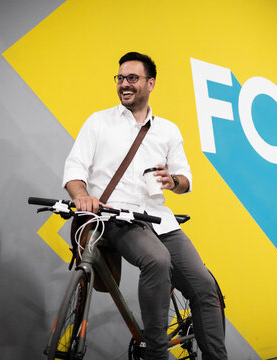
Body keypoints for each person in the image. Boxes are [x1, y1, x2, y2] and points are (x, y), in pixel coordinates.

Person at [62, 51, 227, 359]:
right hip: (114, 217)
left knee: (205, 286)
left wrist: (172, 181)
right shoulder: (99, 122)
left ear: (150, 84)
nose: (124, 84)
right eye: (120, 78)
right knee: (157, 261)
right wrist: (81, 196)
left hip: (159, 219)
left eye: (132, 78)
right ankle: (156, 353)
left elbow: (185, 180)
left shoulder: (168, 130)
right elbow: (74, 171)